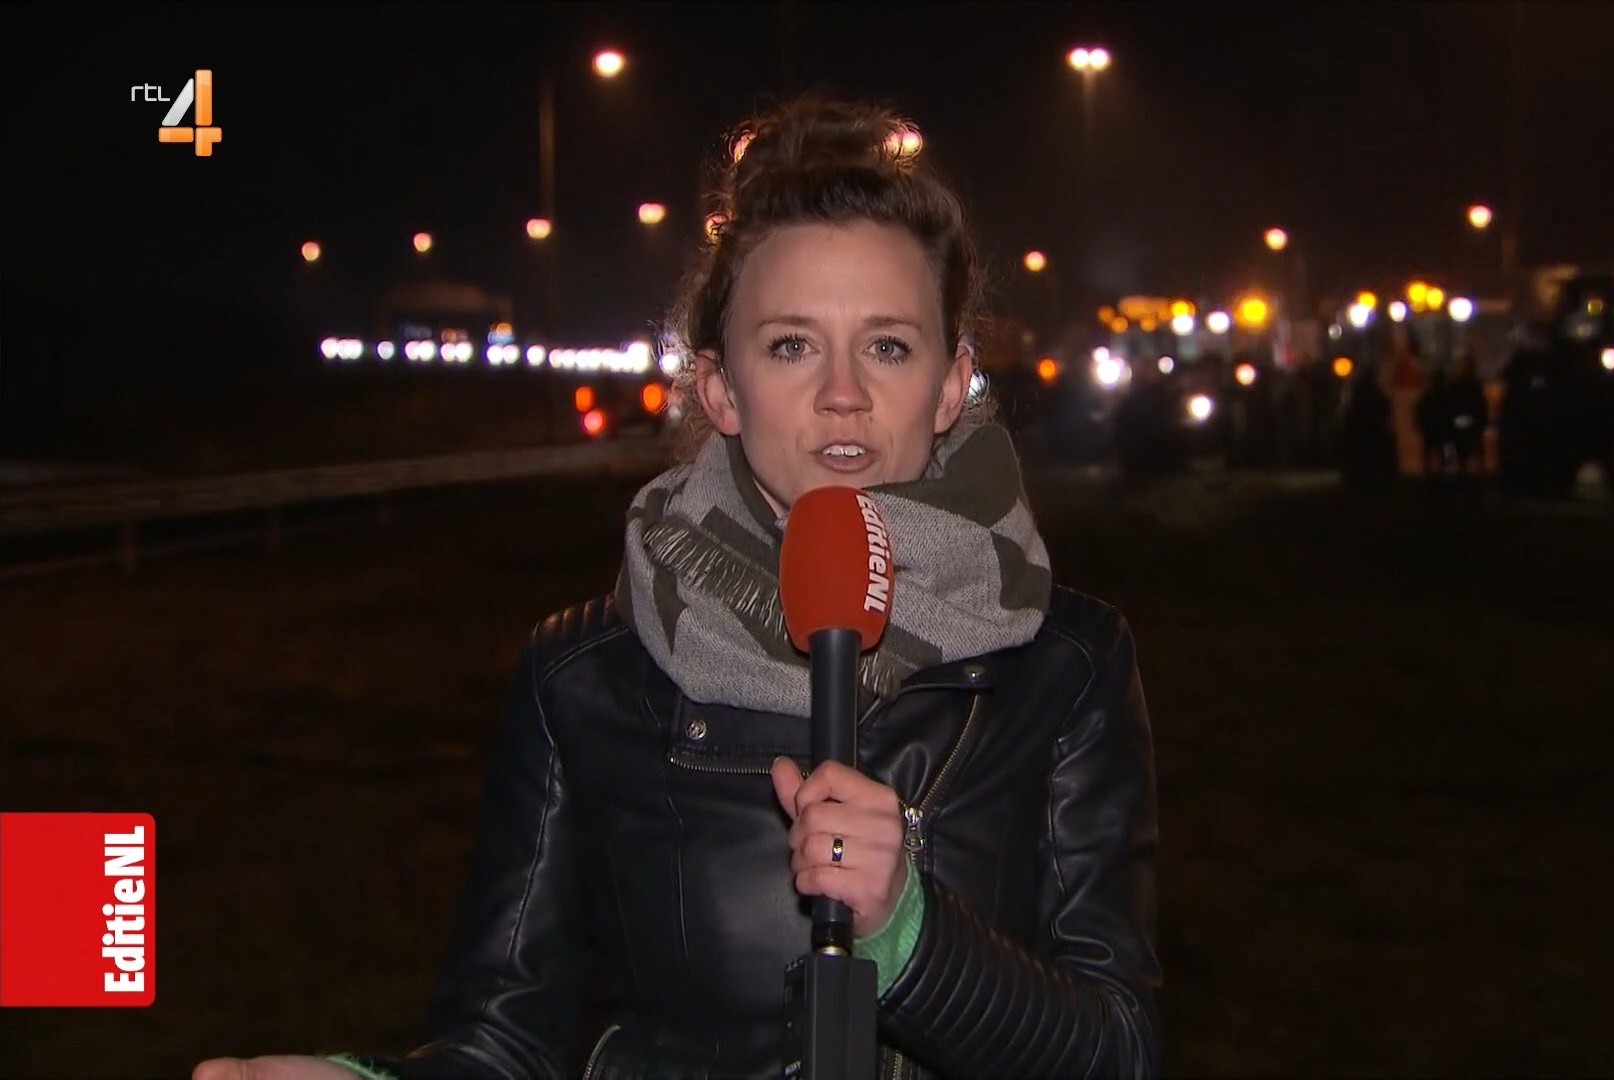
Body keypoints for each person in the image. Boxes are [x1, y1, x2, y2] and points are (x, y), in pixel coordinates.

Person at [192, 96, 1161, 1080]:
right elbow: (502, 1045)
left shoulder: (1069, 667)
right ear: (719, 388)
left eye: (888, 345)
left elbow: (1119, 1053)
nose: (843, 393)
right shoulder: (582, 679)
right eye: (791, 345)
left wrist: (912, 936)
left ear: (952, 383)